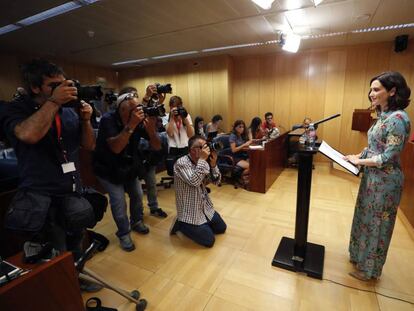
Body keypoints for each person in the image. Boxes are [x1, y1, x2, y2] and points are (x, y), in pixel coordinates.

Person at [1, 58, 96, 260]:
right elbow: (29, 134)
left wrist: (86, 120)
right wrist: (53, 101)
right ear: (35, 87)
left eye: (62, 84)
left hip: (71, 192)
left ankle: (78, 278)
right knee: (57, 255)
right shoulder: (15, 110)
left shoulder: (68, 111)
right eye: (54, 86)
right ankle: (67, 288)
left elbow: (89, 145)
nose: (61, 90)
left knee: (77, 243)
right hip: (43, 199)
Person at [344, 71, 411, 281]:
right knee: (365, 219)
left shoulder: (398, 118)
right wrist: (357, 155)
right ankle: (359, 257)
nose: (371, 94)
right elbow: (374, 147)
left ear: (392, 91)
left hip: (386, 182)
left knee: (377, 225)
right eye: (371, 89)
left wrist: (359, 162)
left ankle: (370, 270)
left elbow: (389, 155)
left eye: (376, 89)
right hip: (372, 178)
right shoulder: (383, 116)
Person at [93, 90, 161, 251]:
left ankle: (136, 221)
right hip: (107, 168)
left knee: (137, 195)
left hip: (128, 166)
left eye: (139, 107)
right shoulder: (107, 120)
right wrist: (131, 125)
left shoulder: (139, 119)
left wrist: (151, 130)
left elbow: (157, 146)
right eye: (135, 109)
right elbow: (116, 148)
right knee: (119, 202)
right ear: (122, 110)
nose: (140, 111)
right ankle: (123, 233)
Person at [118, 85, 168, 218]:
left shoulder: (141, 111)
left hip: (146, 154)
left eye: (136, 96)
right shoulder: (119, 117)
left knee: (151, 183)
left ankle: (154, 207)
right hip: (130, 159)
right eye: (131, 96)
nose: (135, 100)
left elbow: (149, 113)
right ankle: (136, 217)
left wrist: (157, 101)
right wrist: (146, 97)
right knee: (135, 192)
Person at [172, 135, 226, 247]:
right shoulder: (181, 163)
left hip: (204, 207)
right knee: (209, 240)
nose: (206, 149)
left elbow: (216, 181)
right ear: (192, 150)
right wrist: (202, 160)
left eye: (206, 146)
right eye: (202, 147)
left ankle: (202, 225)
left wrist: (213, 164)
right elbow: (194, 182)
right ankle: (181, 224)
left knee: (221, 228)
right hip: (190, 212)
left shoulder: (203, 162)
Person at [229, 120, 252, 184]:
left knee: (255, 163)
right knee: (251, 167)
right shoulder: (233, 136)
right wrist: (244, 145)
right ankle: (239, 176)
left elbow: (242, 146)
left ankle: (245, 176)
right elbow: (233, 150)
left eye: (243, 127)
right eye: (240, 127)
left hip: (242, 155)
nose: (242, 129)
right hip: (236, 157)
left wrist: (247, 144)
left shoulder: (240, 135)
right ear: (235, 127)